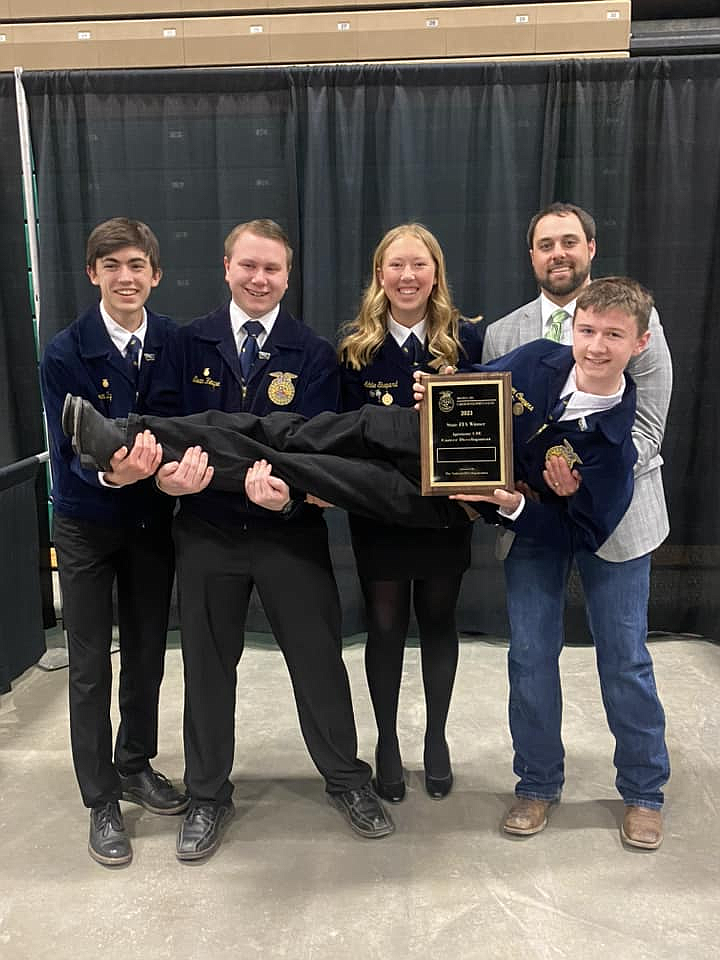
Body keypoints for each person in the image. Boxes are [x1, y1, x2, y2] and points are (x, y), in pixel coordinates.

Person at [64, 277, 661, 856]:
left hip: (450, 502)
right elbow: (480, 388)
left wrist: (516, 502)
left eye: (612, 336)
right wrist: (443, 391)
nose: (595, 345)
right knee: (285, 430)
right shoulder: (542, 359)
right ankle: (128, 433)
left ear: (638, 345)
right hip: (416, 432)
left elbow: (579, 532)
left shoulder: (615, 448)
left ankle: (638, 792)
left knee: (299, 467)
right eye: (587, 329)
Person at [143, 219, 393, 861]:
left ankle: (346, 779)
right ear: (226, 267)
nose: (260, 279)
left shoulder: (312, 352)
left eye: (273, 269)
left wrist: (290, 492)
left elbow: (317, 447)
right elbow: (167, 434)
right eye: (248, 266)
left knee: (318, 662)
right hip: (206, 531)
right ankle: (205, 796)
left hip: (289, 531)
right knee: (206, 669)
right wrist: (172, 480)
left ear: (288, 275)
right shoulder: (186, 344)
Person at [483, 203, 671, 850]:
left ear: (590, 247)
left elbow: (646, 431)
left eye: (569, 241)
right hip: (531, 518)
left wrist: (588, 477)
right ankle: (537, 783)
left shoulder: (636, 324)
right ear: (531, 255)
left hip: (617, 523)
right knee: (530, 655)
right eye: (545, 244)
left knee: (625, 659)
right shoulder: (510, 334)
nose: (558, 253)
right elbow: (488, 421)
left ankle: (644, 791)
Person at [40, 218, 188, 867]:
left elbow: (189, 428)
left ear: (154, 273)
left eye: (136, 265)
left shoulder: (176, 343)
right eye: (111, 265)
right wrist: (110, 471)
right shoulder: (65, 350)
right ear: (93, 274)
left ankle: (134, 763)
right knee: (89, 663)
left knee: (149, 653)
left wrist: (176, 473)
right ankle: (100, 798)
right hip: (86, 521)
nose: (125, 277)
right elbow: (66, 450)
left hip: (152, 521)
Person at [337, 223, 483, 802]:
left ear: (436, 274)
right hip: (379, 514)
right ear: (380, 275)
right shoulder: (354, 348)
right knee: (387, 624)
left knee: (440, 618)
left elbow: (488, 430)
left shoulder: (467, 340)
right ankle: (389, 743)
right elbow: (341, 436)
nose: (407, 276)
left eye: (419, 265)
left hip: (446, 512)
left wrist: (457, 391)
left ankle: (437, 738)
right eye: (396, 265)